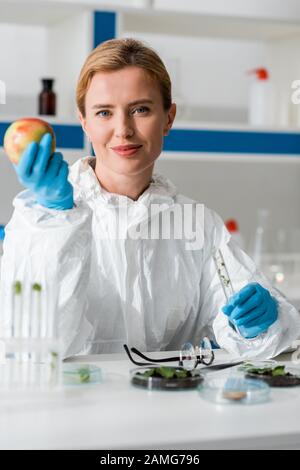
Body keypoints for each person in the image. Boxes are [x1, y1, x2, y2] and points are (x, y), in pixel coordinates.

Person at [1, 38, 300, 358]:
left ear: (168, 117)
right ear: (84, 123)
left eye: (140, 109)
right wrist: (57, 219)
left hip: (167, 404)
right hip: (69, 405)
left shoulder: (198, 224)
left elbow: (254, 325)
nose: (123, 130)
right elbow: (34, 343)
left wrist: (258, 324)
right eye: (104, 112)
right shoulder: (40, 218)